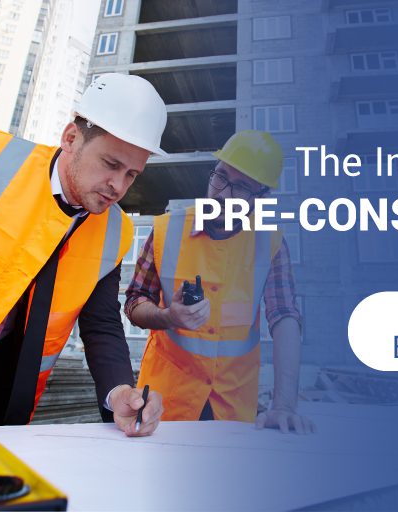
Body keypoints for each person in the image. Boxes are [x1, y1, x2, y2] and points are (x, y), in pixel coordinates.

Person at [0, 73, 164, 436]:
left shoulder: (116, 230)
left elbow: (101, 323)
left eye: (132, 174)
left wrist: (119, 392)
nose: (119, 186)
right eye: (111, 164)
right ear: (71, 138)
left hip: (6, 390)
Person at [125, 130, 315, 434]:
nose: (223, 194)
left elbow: (285, 317)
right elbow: (135, 301)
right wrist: (166, 316)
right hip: (164, 404)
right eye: (221, 177)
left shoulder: (270, 243)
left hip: (233, 408)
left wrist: (284, 405)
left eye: (241, 188)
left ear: (261, 198)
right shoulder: (166, 230)